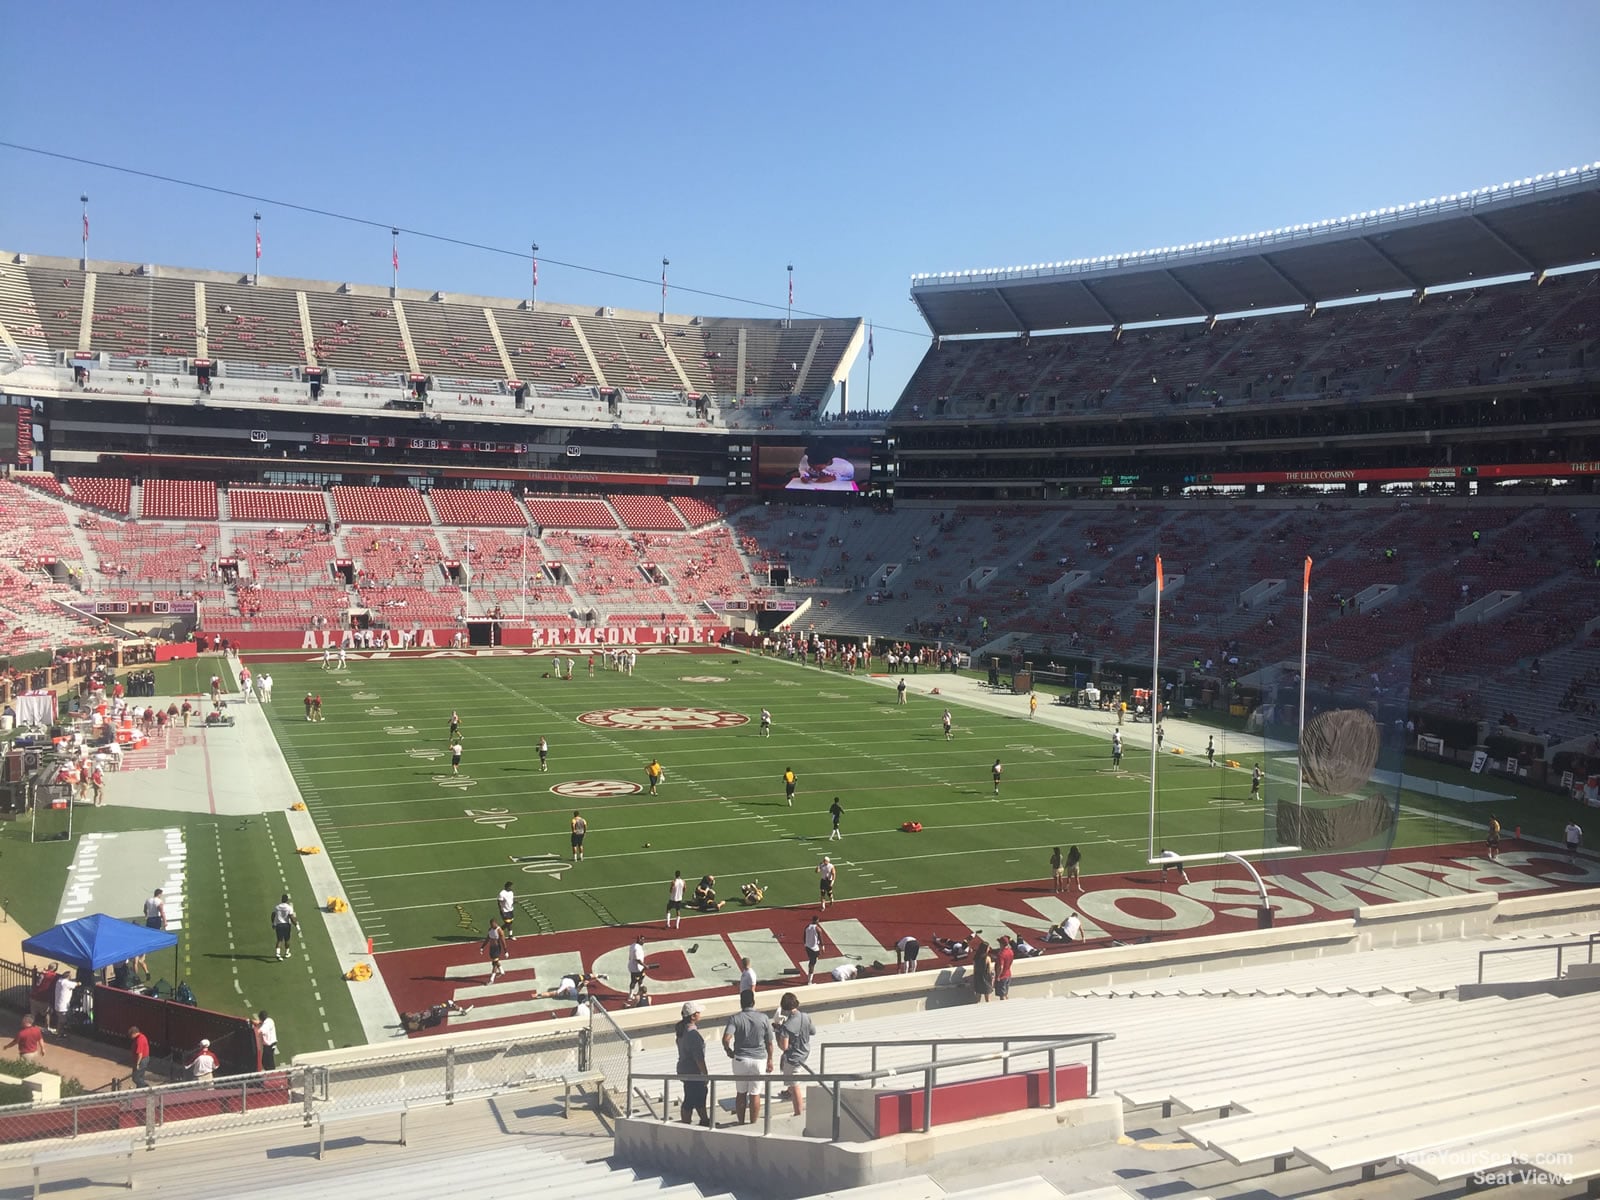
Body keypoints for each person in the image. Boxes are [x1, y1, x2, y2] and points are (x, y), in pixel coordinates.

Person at [722, 989, 775, 1125]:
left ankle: (740, 1122)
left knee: (741, 1093)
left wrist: (728, 1050)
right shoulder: (763, 1018)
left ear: (741, 1002)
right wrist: (770, 1059)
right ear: (753, 1002)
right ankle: (753, 1123)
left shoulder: (735, 1018)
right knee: (755, 1093)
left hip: (740, 1059)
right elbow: (769, 1042)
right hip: (759, 1060)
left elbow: (726, 1038)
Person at [775, 992, 816, 1116]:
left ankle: (798, 1113)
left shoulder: (787, 1026)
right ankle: (788, 1091)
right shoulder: (805, 1016)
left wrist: (778, 1031)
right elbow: (812, 1031)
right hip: (805, 1051)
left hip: (794, 1057)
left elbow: (784, 1046)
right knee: (792, 1078)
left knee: (795, 1085)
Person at [676, 1001, 712, 1127]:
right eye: (698, 1012)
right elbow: (699, 1058)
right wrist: (705, 1074)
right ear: (692, 1016)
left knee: (695, 1095)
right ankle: (687, 1123)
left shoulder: (682, 1032)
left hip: (684, 1068)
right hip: (693, 1070)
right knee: (692, 1097)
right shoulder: (693, 1035)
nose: (700, 1014)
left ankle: (704, 1119)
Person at [481, 918, 508, 982]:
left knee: (494, 963)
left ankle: (491, 979)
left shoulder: (499, 930)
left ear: (496, 923)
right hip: (491, 948)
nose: (492, 926)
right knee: (495, 961)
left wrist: (506, 951)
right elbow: (488, 939)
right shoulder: (490, 929)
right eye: (491, 924)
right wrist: (482, 947)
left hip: (497, 948)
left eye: (492, 924)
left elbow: (503, 941)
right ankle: (502, 971)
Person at [272, 893, 297, 960]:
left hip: (279, 925)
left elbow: (273, 915)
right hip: (286, 925)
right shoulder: (289, 908)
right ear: (287, 900)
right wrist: (296, 925)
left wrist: (273, 924)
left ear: (281, 899)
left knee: (279, 940)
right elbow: (291, 917)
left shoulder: (277, 907)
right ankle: (286, 953)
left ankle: (278, 954)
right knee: (287, 939)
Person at [971, 936, 994, 1002]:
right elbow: (989, 970)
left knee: (977, 997)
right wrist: (991, 979)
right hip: (986, 978)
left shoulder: (976, 957)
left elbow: (974, 968)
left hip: (978, 977)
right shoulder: (987, 958)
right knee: (987, 998)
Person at [993, 935, 1015, 1001]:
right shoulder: (1010, 951)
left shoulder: (1001, 954)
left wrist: (998, 976)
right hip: (1008, 974)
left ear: (1002, 944)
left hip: (1002, 977)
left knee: (1002, 995)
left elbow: (1001, 967)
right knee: (1005, 993)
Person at [627, 934, 648, 1002]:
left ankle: (639, 992)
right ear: (639, 940)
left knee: (640, 979)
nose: (644, 941)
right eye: (643, 940)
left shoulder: (633, 945)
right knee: (634, 981)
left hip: (634, 966)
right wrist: (645, 965)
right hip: (636, 968)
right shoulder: (637, 948)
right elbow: (638, 959)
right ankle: (630, 996)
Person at [803, 916, 824, 983]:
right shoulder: (818, 929)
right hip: (814, 948)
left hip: (808, 947)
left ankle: (812, 961)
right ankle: (809, 981)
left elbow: (804, 936)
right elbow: (820, 938)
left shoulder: (807, 927)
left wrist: (805, 943)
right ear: (817, 920)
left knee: (813, 959)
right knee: (812, 964)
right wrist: (823, 946)